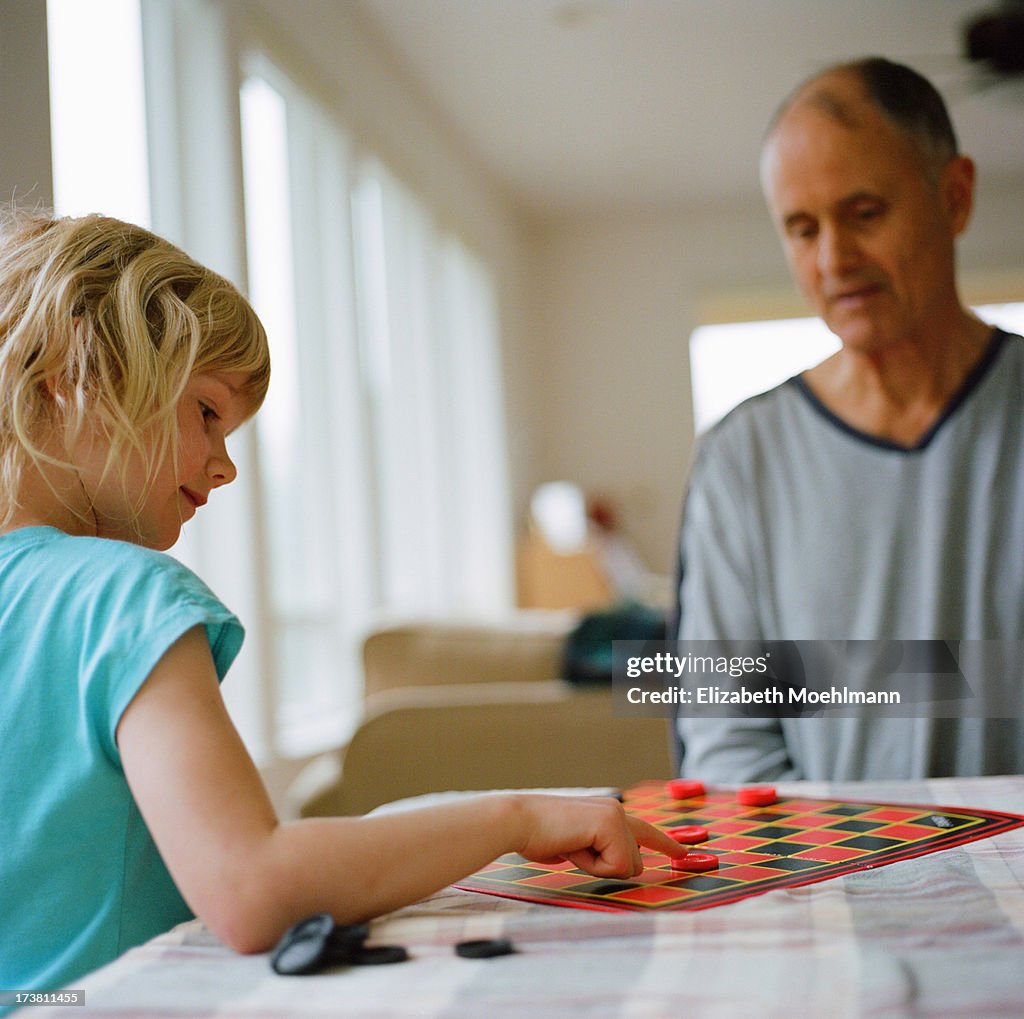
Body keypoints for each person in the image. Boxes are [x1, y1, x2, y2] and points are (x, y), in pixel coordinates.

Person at [0, 211, 687, 1001]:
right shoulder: (120, 596)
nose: (224, 467)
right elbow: (251, 885)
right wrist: (518, 817)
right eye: (208, 413)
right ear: (75, 368)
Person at [672, 57, 1024, 782]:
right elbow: (728, 746)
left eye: (865, 214)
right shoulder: (740, 460)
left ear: (954, 198)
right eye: (803, 230)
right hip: (828, 888)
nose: (836, 259)